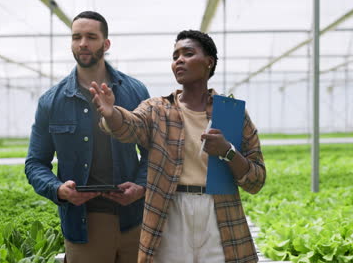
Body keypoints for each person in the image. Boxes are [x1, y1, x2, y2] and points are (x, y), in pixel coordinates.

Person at [90, 30, 266, 263]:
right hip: (170, 209)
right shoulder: (158, 109)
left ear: (209, 62)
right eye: (175, 56)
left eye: (188, 53)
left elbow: (256, 180)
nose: (179, 60)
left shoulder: (231, 112)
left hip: (218, 211)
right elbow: (130, 127)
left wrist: (228, 151)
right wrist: (112, 114)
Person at [24, 11, 150, 263]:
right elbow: (35, 163)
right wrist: (58, 190)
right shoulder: (52, 101)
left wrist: (141, 186)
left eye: (91, 37)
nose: (83, 43)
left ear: (106, 44)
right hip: (83, 224)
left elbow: (154, 150)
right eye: (76, 37)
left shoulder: (135, 91)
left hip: (134, 220)